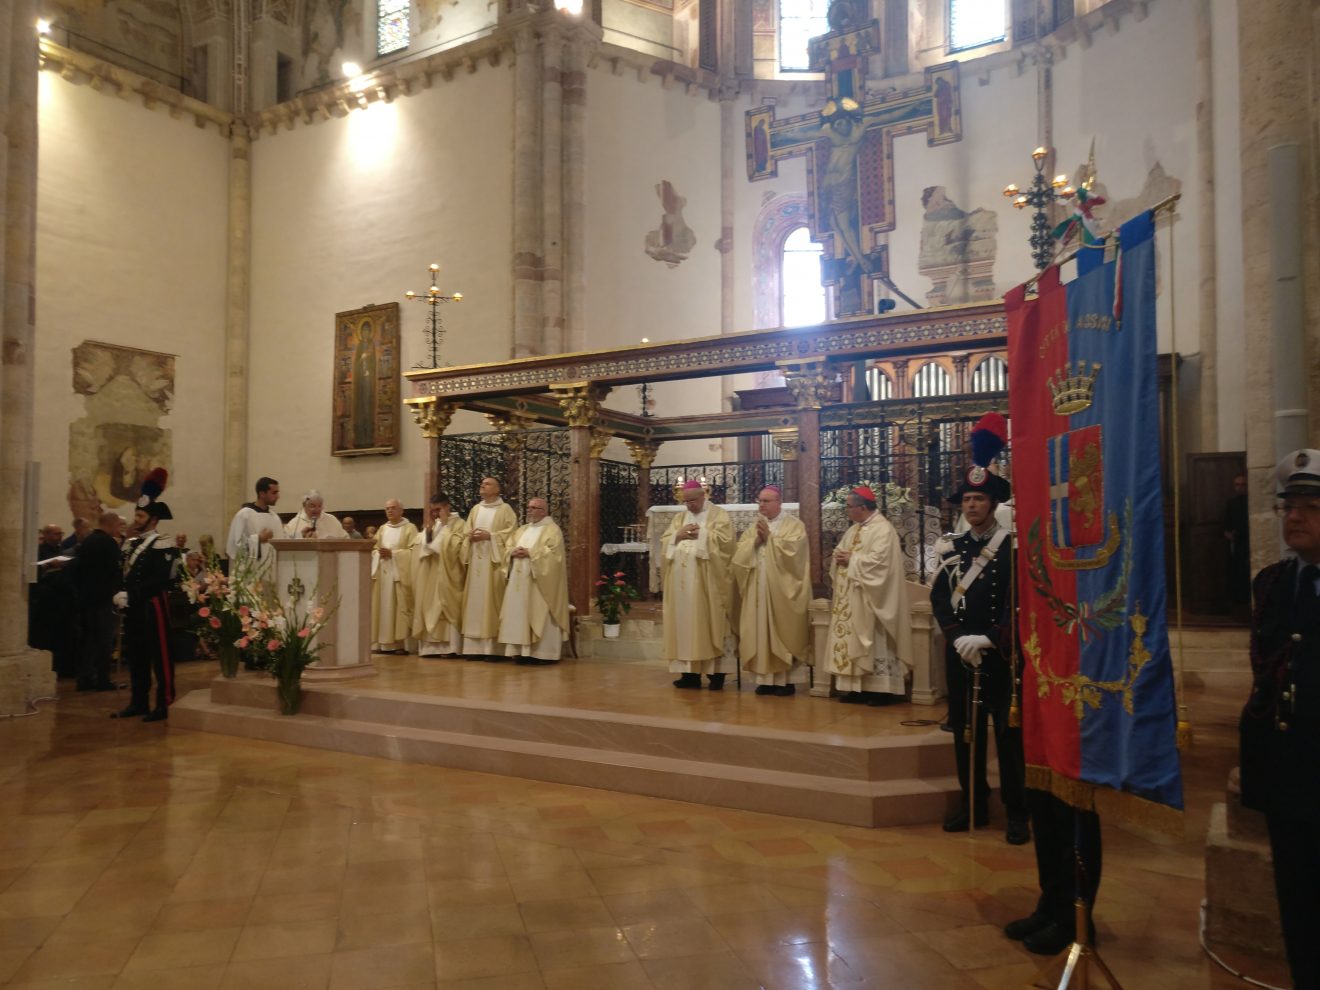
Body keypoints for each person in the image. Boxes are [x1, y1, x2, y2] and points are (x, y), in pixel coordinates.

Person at [1239, 448, 1320, 989]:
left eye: (1311, 507)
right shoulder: (1271, 584)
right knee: (1296, 898)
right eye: (1289, 506)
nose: (1294, 517)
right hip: (1289, 776)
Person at [929, 413, 1028, 844]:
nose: (971, 506)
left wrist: (991, 638)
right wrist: (956, 638)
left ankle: (1017, 812)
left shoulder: (1009, 548)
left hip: (999, 653)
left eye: (979, 500)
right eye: (967, 499)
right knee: (965, 735)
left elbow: (1019, 600)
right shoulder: (951, 547)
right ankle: (973, 802)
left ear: (993, 505)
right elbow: (938, 599)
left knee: (1007, 738)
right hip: (961, 654)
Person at [824, 486, 912, 706]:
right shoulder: (854, 529)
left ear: (862, 507)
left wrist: (852, 559)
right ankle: (857, 688)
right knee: (854, 639)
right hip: (853, 597)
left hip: (873, 599)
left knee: (876, 641)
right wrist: (840, 557)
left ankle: (882, 691)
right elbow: (842, 552)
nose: (847, 510)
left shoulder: (883, 529)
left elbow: (880, 564)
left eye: (850, 506)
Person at [112, 473, 185, 722]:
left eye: (141, 516)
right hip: (134, 607)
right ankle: (138, 701)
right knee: (137, 655)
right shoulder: (131, 544)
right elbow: (123, 573)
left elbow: (163, 580)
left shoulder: (163, 545)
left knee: (160, 656)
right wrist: (120, 593)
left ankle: (164, 703)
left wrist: (130, 592)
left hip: (153, 605)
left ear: (153, 520)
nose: (136, 520)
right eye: (136, 515)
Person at [731, 486, 810, 696]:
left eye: (766, 501)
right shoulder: (755, 527)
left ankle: (786, 681)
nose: (761, 505)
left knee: (781, 631)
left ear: (778, 502)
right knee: (760, 631)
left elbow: (796, 555)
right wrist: (756, 541)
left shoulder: (794, 525)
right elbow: (739, 556)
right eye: (760, 501)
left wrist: (771, 540)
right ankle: (765, 679)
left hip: (781, 591)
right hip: (758, 588)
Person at [661, 480, 735, 690]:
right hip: (680, 583)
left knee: (709, 622)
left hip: (707, 583)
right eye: (686, 502)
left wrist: (701, 534)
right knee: (683, 625)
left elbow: (727, 543)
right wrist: (677, 535)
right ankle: (689, 675)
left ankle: (716, 675)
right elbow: (666, 539)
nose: (689, 505)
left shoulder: (718, 515)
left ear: (703, 496)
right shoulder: (679, 518)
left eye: (692, 501)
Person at [498, 497, 569, 665]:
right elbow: (508, 547)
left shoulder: (552, 530)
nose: (529, 510)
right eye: (529, 507)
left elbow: (555, 556)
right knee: (519, 614)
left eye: (534, 507)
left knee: (539, 613)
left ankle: (543, 653)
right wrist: (512, 552)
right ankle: (522, 652)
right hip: (518, 581)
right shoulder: (521, 530)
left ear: (544, 511)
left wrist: (530, 553)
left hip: (539, 584)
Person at [460, 477, 518, 659]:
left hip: (493, 564)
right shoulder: (476, 509)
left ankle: (493, 649)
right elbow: (464, 533)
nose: (482, 486)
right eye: (482, 483)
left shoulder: (505, 509)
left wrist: (490, 536)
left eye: (487, 484)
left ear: (497, 489)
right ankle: (473, 648)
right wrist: (469, 537)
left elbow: (512, 533)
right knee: (475, 602)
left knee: (492, 602)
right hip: (476, 562)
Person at [71, 511, 125, 692]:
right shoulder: (109, 543)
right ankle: (103, 679)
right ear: (109, 524)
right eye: (118, 526)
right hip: (103, 599)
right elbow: (115, 570)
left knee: (89, 640)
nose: (119, 530)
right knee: (104, 641)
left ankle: (85, 678)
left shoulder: (87, 541)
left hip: (87, 599)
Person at [412, 493, 467, 658]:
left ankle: (450, 647)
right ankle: (430, 647)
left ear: (447, 507)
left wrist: (445, 527)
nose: (435, 514)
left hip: (448, 572)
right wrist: (428, 533)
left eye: (438, 510)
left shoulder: (459, 524)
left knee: (446, 606)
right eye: (433, 510)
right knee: (429, 606)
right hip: (431, 573)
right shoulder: (434, 525)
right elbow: (425, 547)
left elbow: (458, 546)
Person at [371, 499, 419, 654]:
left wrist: (394, 554)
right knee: (382, 607)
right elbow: (374, 548)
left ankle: (399, 644)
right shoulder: (383, 529)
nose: (389, 511)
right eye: (387, 509)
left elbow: (414, 552)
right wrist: (377, 554)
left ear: (401, 511)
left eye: (393, 508)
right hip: (383, 574)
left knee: (399, 608)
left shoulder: (410, 529)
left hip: (399, 575)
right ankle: (381, 644)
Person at [226, 476, 283, 575]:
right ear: (262, 493)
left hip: (271, 572)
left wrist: (300, 534)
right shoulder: (244, 515)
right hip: (250, 574)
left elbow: (282, 541)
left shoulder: (275, 517)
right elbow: (234, 546)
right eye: (274, 493)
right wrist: (258, 539)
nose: (278, 496)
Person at [1223, 473, 1250, 611]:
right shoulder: (1231, 503)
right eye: (1237, 485)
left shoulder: (1251, 502)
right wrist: (1227, 533)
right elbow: (1225, 522)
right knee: (1236, 571)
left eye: (1243, 485)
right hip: (1236, 543)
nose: (1240, 488)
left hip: (1248, 541)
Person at [284, 490, 348, 539]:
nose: (317, 509)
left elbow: (345, 539)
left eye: (319, 506)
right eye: (312, 506)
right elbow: (285, 542)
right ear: (304, 506)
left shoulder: (332, 520)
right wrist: (300, 536)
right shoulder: (294, 524)